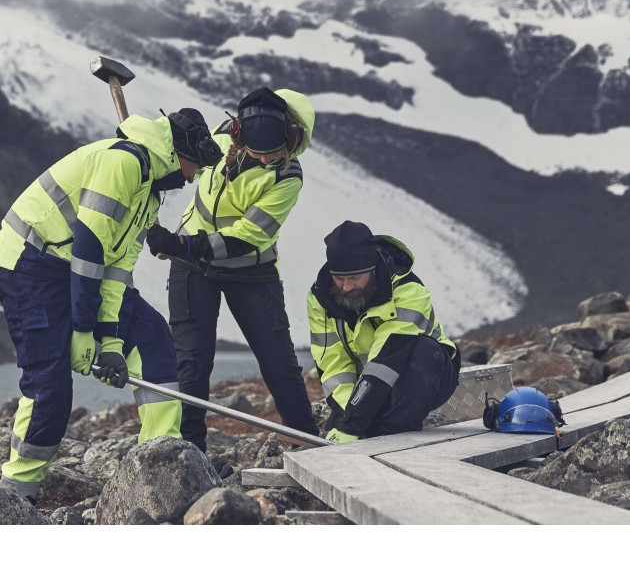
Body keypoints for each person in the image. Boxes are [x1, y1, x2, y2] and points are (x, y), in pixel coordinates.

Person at [0, 108, 223, 501]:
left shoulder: (150, 193)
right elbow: (90, 247)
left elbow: (116, 271)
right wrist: (82, 331)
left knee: (151, 338)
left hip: (77, 271)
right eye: (194, 165)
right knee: (51, 384)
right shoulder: (122, 162)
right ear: (179, 151)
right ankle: (16, 494)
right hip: (29, 265)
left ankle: (161, 466)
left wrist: (110, 340)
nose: (193, 176)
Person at [143, 87, 319, 469]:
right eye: (257, 151)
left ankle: (305, 441)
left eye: (273, 152)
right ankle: (192, 455)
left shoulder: (288, 176)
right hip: (192, 267)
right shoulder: (220, 138)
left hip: (250, 270)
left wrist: (181, 246)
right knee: (191, 360)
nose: (265, 158)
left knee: (278, 361)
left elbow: (248, 236)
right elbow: (175, 155)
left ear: (290, 137)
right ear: (238, 134)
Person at [305, 220, 460, 442]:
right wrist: (345, 416)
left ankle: (396, 434)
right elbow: (332, 364)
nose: (346, 287)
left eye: (355, 278)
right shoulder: (320, 297)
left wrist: (353, 423)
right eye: (339, 278)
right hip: (368, 385)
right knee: (345, 429)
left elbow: (386, 359)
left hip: (428, 377)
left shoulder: (409, 290)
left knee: (423, 349)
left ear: (372, 270)